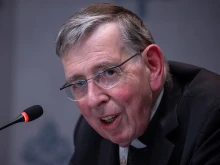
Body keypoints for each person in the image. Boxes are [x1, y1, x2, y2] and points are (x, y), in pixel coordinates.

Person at [55, 3, 220, 165]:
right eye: (79, 83)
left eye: (109, 72)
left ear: (152, 66)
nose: (93, 100)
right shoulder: (88, 133)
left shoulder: (211, 116)